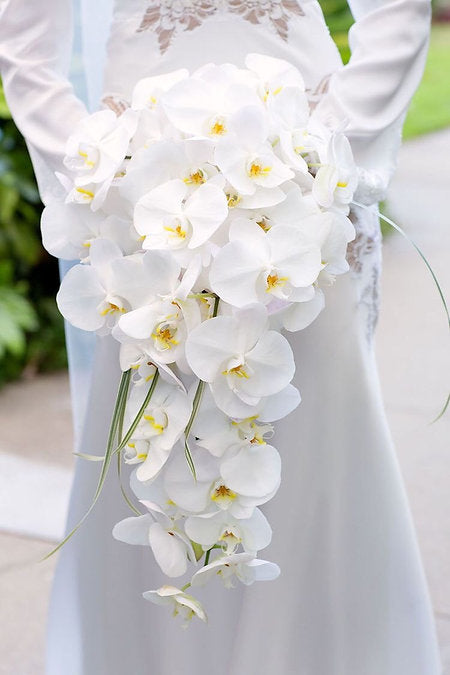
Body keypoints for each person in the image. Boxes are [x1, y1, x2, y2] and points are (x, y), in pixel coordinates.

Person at [0, 1, 441, 673]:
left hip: (301, 163)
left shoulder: (312, 162)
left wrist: (322, 152)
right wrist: (101, 172)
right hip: (139, 191)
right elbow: (24, 43)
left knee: (315, 436)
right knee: (156, 452)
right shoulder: (125, 188)